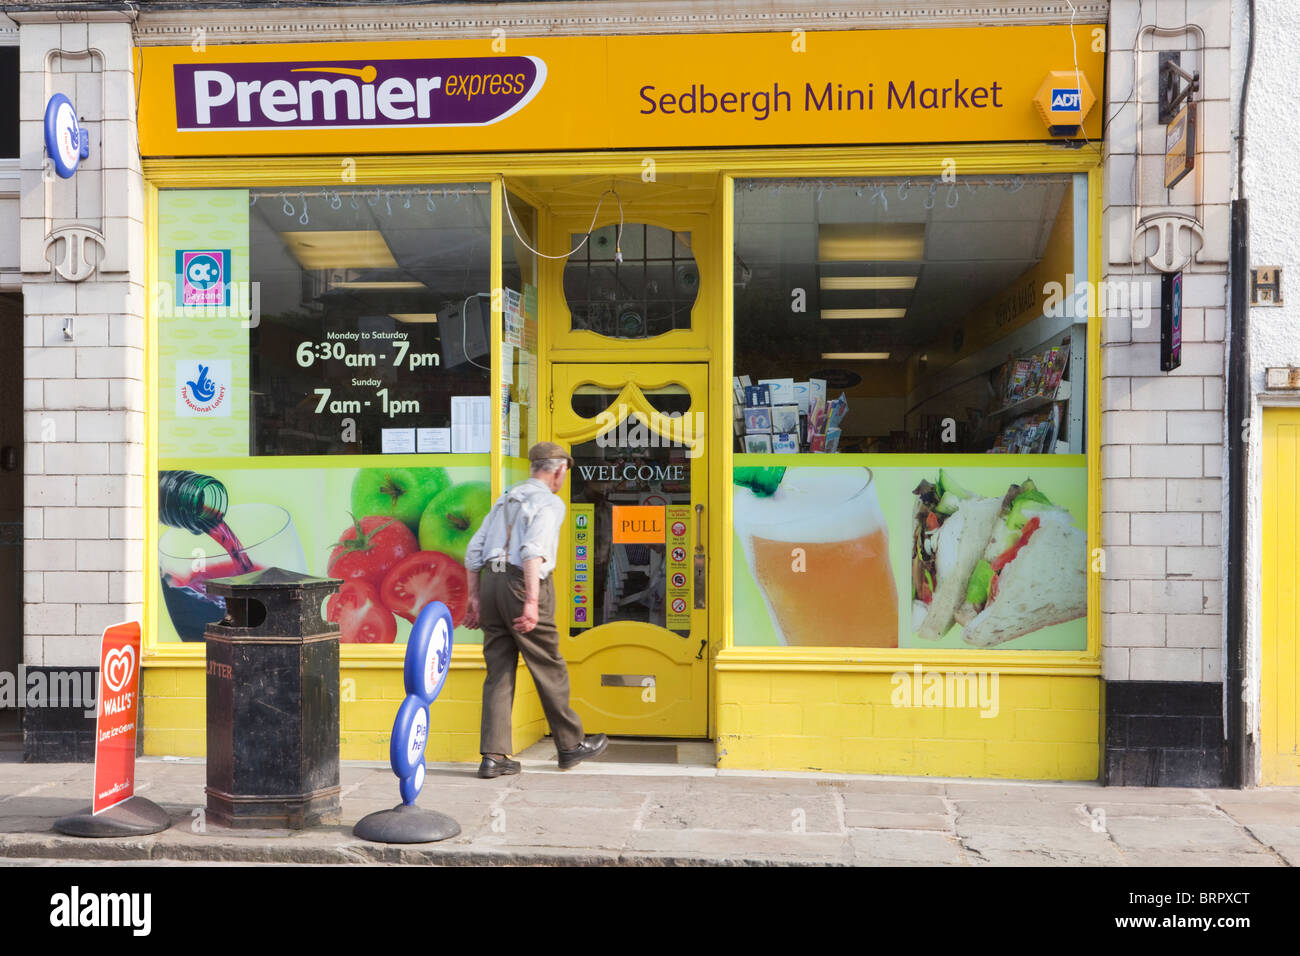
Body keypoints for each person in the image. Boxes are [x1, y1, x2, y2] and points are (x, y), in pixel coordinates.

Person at [463, 441, 608, 778]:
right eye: (564, 473)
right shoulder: (549, 503)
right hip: (520, 583)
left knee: (499, 670)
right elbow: (533, 553)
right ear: (558, 470)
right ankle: (570, 745)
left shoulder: (506, 499)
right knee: (547, 663)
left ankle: (493, 755)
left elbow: (474, 551)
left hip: (491, 582)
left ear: (533, 467)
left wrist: (474, 598)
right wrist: (530, 601)